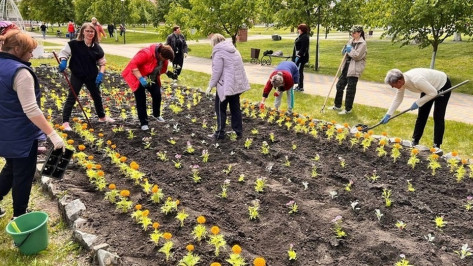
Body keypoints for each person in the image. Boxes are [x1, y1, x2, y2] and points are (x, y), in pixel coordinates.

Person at [0, 30, 65, 218]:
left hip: (4, 131)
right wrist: (52, 134)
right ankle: (20, 217)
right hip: (20, 135)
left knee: (11, 168)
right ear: (17, 49)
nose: (31, 55)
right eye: (29, 51)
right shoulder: (20, 73)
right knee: (23, 175)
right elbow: (31, 110)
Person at [58, 23, 115, 131]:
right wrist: (63, 61)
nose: (90, 33)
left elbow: (102, 63)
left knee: (97, 96)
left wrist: (101, 74)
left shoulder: (97, 48)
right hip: (77, 74)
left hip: (91, 75)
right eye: (87, 31)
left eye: (92, 31)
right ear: (83, 32)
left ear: (95, 33)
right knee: (72, 96)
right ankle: (65, 122)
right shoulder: (73, 44)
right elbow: (64, 54)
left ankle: (102, 117)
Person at [381, 68, 452, 154]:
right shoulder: (402, 81)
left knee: (438, 115)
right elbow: (398, 99)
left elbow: (433, 93)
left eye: (393, 85)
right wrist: (388, 114)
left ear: (399, 81)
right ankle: (415, 140)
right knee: (422, 115)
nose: (392, 87)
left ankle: (437, 145)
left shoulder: (416, 80)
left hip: (442, 84)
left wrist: (418, 102)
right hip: (427, 87)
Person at [205, 34, 250, 140]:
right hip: (236, 85)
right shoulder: (234, 50)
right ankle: (238, 131)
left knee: (220, 108)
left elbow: (217, 71)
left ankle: (220, 133)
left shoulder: (219, 52)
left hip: (224, 86)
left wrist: (210, 85)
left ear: (214, 42)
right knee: (235, 108)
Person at [122, 43, 175, 131]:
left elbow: (160, 68)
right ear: (160, 54)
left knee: (157, 94)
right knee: (141, 99)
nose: (166, 60)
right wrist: (141, 78)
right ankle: (144, 123)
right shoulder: (146, 53)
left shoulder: (163, 57)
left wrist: (168, 73)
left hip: (151, 78)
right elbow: (133, 65)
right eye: (165, 58)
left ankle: (156, 114)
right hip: (137, 78)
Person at [330, 25, 367, 115]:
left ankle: (348, 109)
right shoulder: (351, 41)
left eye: (354, 32)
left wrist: (350, 50)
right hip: (346, 67)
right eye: (351, 32)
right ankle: (337, 105)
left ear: (359, 33)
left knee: (350, 89)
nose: (352, 34)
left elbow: (357, 56)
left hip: (354, 69)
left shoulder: (363, 44)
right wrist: (344, 50)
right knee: (339, 86)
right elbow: (345, 52)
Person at [291, 23, 309, 92]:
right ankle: (298, 85)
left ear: (302, 30)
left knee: (299, 71)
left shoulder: (305, 37)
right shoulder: (301, 36)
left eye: (299, 29)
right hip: (297, 56)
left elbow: (303, 48)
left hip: (301, 58)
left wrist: (298, 56)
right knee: (298, 71)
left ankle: (301, 87)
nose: (298, 30)